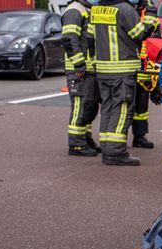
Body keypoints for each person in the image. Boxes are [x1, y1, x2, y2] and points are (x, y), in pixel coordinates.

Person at [88, 0, 159, 165]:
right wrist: (151, 15)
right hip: (122, 69)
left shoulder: (97, 8)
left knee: (107, 108)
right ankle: (115, 153)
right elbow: (140, 34)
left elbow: (90, 38)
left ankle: (107, 148)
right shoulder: (125, 10)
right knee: (121, 110)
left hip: (103, 69)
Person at [61, 0, 101, 157]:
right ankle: (76, 144)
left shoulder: (87, 9)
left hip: (89, 68)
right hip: (78, 69)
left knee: (89, 106)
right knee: (80, 105)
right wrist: (79, 64)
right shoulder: (74, 10)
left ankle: (85, 138)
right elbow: (69, 38)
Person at [130, 0, 156, 149]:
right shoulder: (126, 8)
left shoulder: (149, 9)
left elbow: (155, 36)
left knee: (142, 104)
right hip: (130, 62)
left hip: (146, 64)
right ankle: (119, 138)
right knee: (128, 104)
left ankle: (139, 136)